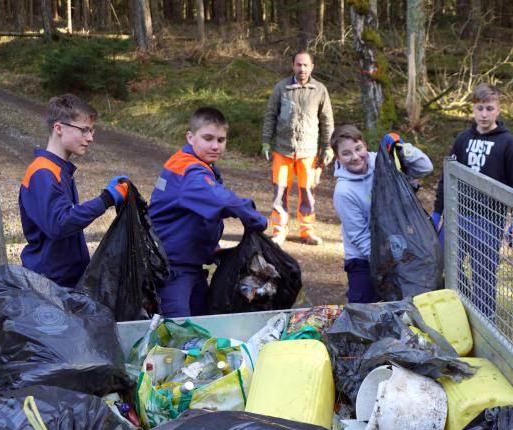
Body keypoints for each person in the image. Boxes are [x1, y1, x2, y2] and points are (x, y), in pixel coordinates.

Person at [149, 107, 268, 318]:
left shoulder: (196, 164)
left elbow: (194, 213)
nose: (215, 146)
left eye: (221, 140)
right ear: (190, 136)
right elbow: (221, 200)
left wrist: (210, 245)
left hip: (190, 266)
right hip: (172, 272)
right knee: (177, 336)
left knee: (202, 327)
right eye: (208, 138)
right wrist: (253, 217)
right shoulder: (189, 170)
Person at [432, 83, 513, 319]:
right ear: (473, 109)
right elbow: (447, 175)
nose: (484, 114)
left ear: (498, 110)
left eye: (489, 108)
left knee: (483, 272)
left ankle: (485, 319)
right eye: (480, 108)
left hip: (489, 219)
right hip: (458, 215)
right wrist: (437, 211)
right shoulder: (463, 138)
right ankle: (461, 307)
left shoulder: (507, 142)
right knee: (445, 262)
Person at [19, 94, 130, 288]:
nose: (90, 138)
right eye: (84, 130)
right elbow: (59, 223)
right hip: (50, 286)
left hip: (64, 280)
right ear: (59, 128)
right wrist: (106, 199)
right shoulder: (43, 173)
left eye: (91, 131)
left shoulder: (60, 170)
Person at [330, 125, 433, 303]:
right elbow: (359, 235)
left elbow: (425, 168)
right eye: (346, 153)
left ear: (364, 144)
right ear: (338, 157)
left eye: (358, 148)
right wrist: (386, 266)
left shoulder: (383, 163)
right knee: (365, 310)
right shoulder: (344, 191)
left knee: (405, 304)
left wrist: (402, 148)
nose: (355, 157)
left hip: (400, 248)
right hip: (364, 258)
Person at [261, 50, 334, 246]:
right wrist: (266, 141)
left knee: (308, 193)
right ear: (293, 66)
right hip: (282, 149)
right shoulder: (281, 88)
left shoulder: (320, 90)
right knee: (280, 192)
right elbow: (270, 115)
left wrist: (327, 147)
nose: (302, 68)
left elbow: (327, 121)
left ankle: (307, 231)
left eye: (305, 65)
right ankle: (279, 230)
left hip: (308, 151)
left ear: (312, 67)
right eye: (298, 64)